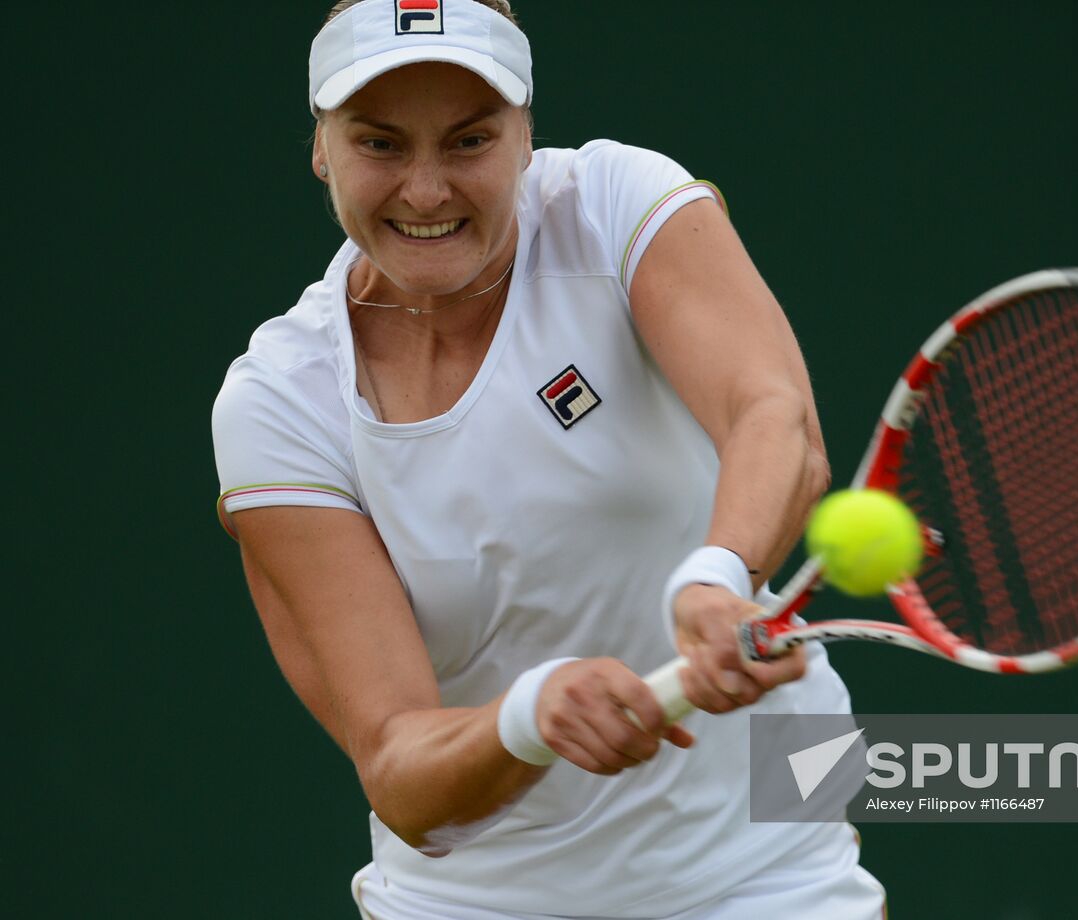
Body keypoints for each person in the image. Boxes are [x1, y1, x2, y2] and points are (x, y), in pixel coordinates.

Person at [211, 1, 886, 916]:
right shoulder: (280, 403)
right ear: (322, 147)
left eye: (468, 141)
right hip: (474, 903)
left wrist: (716, 576)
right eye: (379, 145)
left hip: (764, 872)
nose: (424, 190)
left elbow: (773, 415)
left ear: (525, 135)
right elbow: (403, 777)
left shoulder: (617, 205)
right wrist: (531, 719)